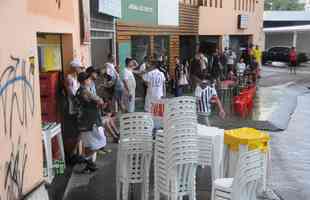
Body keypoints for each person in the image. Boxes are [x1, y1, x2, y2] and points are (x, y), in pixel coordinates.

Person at [76, 72, 107, 173]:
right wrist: (100, 101)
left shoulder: (79, 91)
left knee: (88, 143)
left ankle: (89, 165)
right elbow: (99, 100)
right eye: (89, 79)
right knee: (99, 141)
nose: (90, 81)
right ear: (85, 81)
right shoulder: (86, 91)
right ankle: (88, 161)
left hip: (83, 120)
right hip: (91, 120)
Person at [63, 59, 84, 162]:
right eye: (79, 67)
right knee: (77, 132)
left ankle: (74, 154)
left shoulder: (76, 78)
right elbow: (71, 93)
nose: (80, 69)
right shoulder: (69, 78)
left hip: (78, 107)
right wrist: (78, 99)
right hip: (73, 108)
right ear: (75, 68)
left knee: (79, 131)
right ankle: (72, 154)